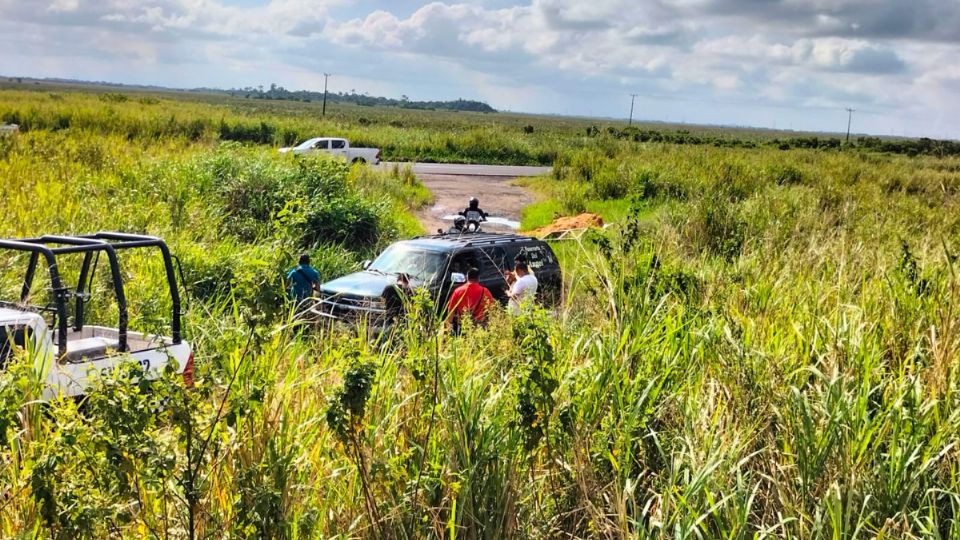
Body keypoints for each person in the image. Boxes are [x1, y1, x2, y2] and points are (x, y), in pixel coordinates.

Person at [446, 267, 495, 334]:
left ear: (467, 277)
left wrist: (449, 324)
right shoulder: (484, 291)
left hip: (463, 325)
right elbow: (492, 308)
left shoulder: (458, 291)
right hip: (480, 326)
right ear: (478, 278)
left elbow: (451, 309)